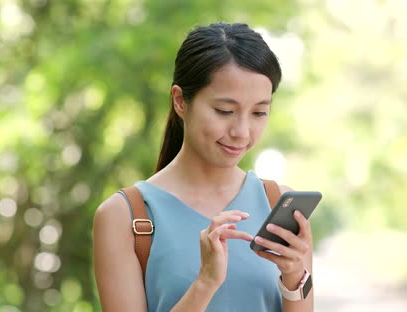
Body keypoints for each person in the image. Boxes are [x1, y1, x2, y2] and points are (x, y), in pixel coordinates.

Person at [92, 22, 314, 311]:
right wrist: (206, 282)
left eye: (259, 112)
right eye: (225, 111)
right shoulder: (125, 216)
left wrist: (295, 277)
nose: (242, 132)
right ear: (180, 101)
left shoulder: (277, 206)